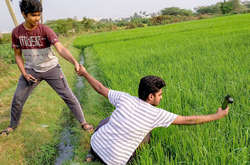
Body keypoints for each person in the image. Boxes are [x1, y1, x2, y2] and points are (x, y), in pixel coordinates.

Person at [77, 65, 229, 165]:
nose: (161, 97)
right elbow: (188, 120)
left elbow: (99, 88)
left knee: (109, 120)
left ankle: (91, 156)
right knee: (147, 134)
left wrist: (84, 73)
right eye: (160, 94)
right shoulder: (156, 114)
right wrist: (217, 116)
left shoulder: (124, 98)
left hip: (95, 144)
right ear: (151, 97)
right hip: (114, 161)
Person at [0, 0, 93, 135]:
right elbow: (18, 55)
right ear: (24, 14)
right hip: (31, 71)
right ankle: (12, 126)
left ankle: (83, 123)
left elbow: (60, 48)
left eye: (39, 15)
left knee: (68, 96)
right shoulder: (17, 33)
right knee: (18, 99)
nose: (37, 19)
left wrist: (74, 62)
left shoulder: (45, 30)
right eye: (33, 15)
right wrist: (24, 73)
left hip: (51, 69)